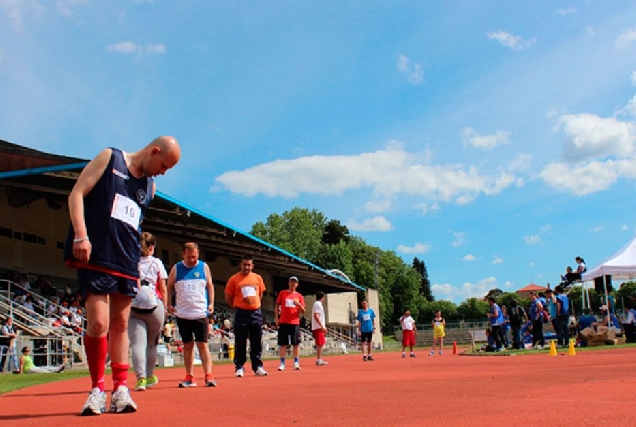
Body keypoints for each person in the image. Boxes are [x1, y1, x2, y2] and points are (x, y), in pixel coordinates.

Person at [63, 136, 181, 415]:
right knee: (99, 323)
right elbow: (76, 193)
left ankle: (120, 389)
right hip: (97, 255)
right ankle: (96, 389)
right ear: (154, 151)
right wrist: (81, 235)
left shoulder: (150, 187)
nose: (162, 173)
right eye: (163, 165)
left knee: (119, 325)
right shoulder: (110, 158)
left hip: (127, 261)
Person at [167, 242, 216, 388]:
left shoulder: (203, 267)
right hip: (183, 314)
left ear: (198, 254)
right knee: (187, 345)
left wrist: (211, 303)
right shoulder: (176, 269)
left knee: (203, 345)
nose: (192, 260)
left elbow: (210, 286)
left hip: (200, 312)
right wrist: (169, 303)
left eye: (194, 257)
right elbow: (169, 286)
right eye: (189, 257)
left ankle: (209, 375)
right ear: (183, 255)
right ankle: (190, 376)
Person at [128, 232, 168, 391]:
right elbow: (163, 288)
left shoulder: (131, 262)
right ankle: (150, 375)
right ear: (152, 247)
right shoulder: (157, 263)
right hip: (154, 304)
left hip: (134, 304)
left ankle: (141, 379)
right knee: (151, 344)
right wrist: (165, 309)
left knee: (137, 344)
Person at [224, 255, 268, 377]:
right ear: (240, 265)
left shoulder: (257, 278)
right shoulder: (234, 279)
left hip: (255, 312)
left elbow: (260, 294)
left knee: (256, 340)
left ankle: (257, 366)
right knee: (240, 340)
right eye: (244, 265)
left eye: (249, 265)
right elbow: (228, 297)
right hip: (241, 312)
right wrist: (238, 305)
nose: (246, 267)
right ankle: (239, 366)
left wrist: (254, 304)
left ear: (252, 266)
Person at [275, 276, 305, 371]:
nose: (293, 284)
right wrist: (276, 318)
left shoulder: (299, 296)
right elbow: (277, 306)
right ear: (288, 283)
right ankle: (282, 363)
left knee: (295, 343)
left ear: (297, 284)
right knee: (283, 343)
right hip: (283, 321)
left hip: (294, 322)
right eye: (291, 282)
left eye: (294, 282)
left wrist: (299, 305)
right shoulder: (283, 293)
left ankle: (296, 362)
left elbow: (303, 311)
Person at [311, 290, 329, 366]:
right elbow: (316, 316)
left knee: (320, 343)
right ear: (323, 297)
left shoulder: (317, 304)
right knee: (320, 344)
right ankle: (319, 359)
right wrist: (322, 326)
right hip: (318, 327)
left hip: (318, 326)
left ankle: (319, 359)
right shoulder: (318, 304)